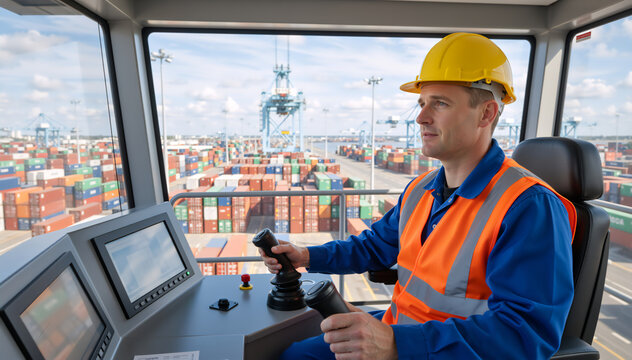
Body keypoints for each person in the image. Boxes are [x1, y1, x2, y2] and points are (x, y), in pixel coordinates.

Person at [260, 33, 576, 360]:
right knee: (293, 355)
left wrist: (397, 344)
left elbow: (523, 335)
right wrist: (305, 256)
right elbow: (374, 247)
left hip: (441, 352)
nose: (421, 117)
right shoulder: (420, 189)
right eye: (423, 103)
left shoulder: (529, 207)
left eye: (440, 103)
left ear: (486, 113)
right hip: (400, 330)